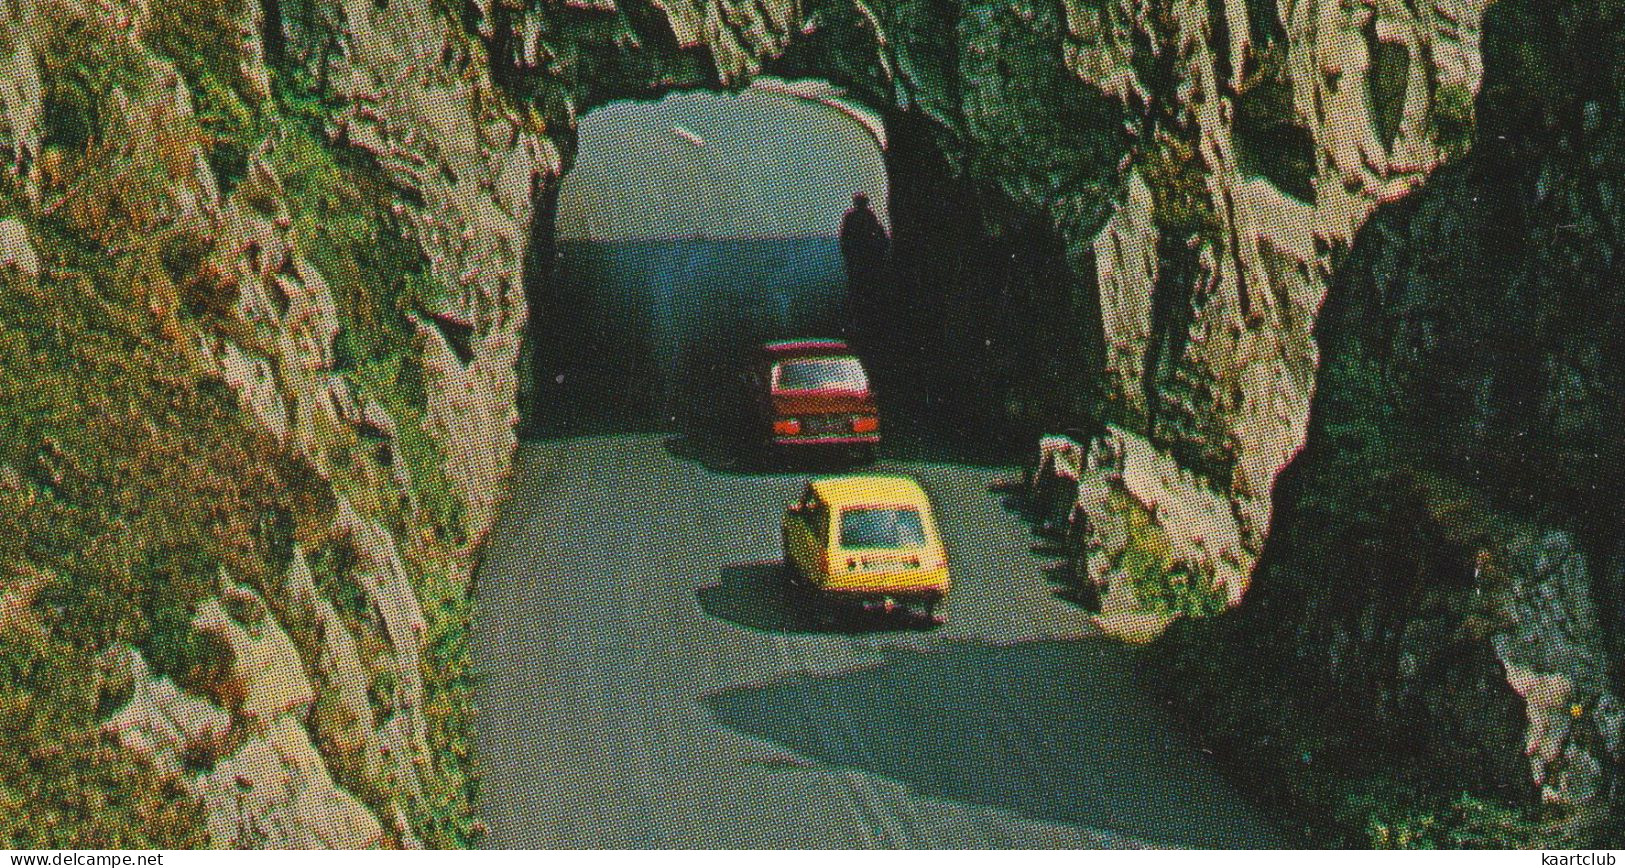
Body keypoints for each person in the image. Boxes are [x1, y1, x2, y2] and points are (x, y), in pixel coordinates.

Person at [838, 192, 890, 340]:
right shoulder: (863, 218)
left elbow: (880, 239)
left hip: (866, 264)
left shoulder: (865, 218)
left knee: (863, 295)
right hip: (863, 264)